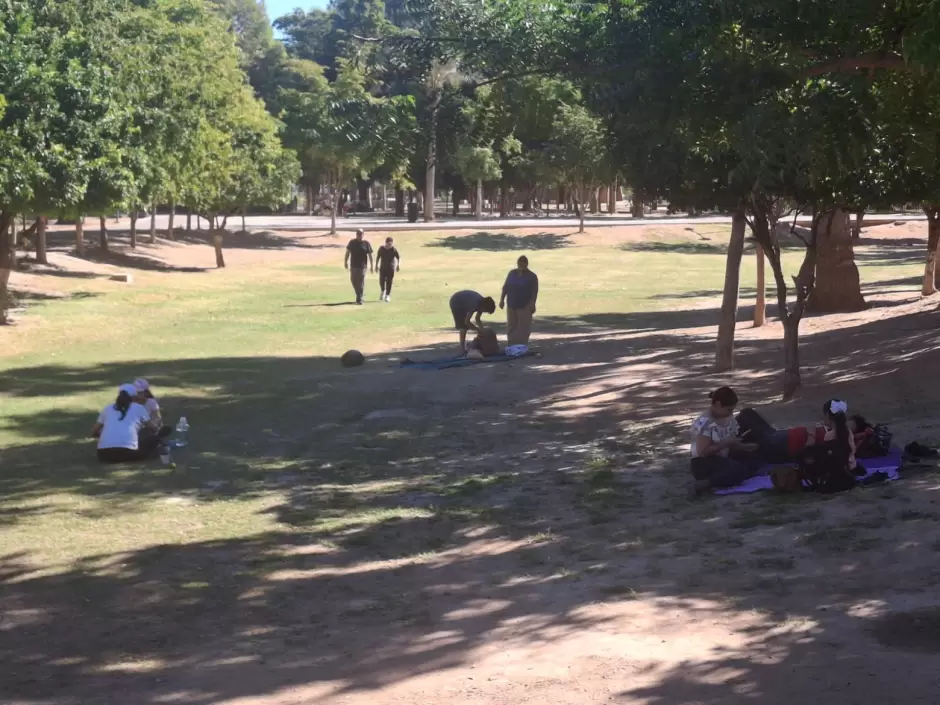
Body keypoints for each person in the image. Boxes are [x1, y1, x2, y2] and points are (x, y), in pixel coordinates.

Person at [689, 386, 760, 494]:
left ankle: (732, 476)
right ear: (718, 404)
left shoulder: (727, 417)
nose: (731, 413)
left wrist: (745, 447)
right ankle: (708, 483)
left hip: (723, 455)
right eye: (729, 409)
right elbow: (702, 452)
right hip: (703, 463)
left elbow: (730, 441)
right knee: (736, 470)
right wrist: (726, 443)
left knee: (753, 459)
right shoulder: (705, 422)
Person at [91, 384, 168, 463]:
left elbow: (93, 431)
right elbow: (152, 428)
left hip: (103, 455)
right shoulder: (138, 408)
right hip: (128, 453)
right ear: (134, 397)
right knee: (152, 438)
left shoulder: (107, 409)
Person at [500, 255, 539, 345]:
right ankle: (511, 343)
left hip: (525, 304)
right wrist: (502, 299)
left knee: (523, 326)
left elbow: (534, 291)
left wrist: (533, 303)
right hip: (511, 303)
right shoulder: (512, 273)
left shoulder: (532, 276)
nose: (521, 266)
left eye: (523, 264)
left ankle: (522, 344)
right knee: (511, 325)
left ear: (526, 264)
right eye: (519, 264)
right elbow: (505, 287)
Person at [344, 229, 374, 305]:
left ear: (363, 234)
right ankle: (359, 295)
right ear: (356, 234)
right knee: (353, 280)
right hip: (353, 265)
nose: (359, 235)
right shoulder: (352, 242)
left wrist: (372, 266)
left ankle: (359, 299)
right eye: (358, 234)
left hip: (362, 266)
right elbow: (347, 252)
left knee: (360, 282)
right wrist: (345, 262)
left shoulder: (366, 243)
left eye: (361, 234)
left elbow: (370, 255)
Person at [375, 236, 401, 302]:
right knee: (381, 281)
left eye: (391, 244)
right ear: (386, 243)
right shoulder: (381, 249)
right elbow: (378, 257)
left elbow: (398, 257)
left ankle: (387, 295)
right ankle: (382, 291)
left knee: (389, 281)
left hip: (391, 268)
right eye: (388, 243)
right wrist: (376, 265)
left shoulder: (393, 249)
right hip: (383, 267)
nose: (390, 245)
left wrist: (398, 265)